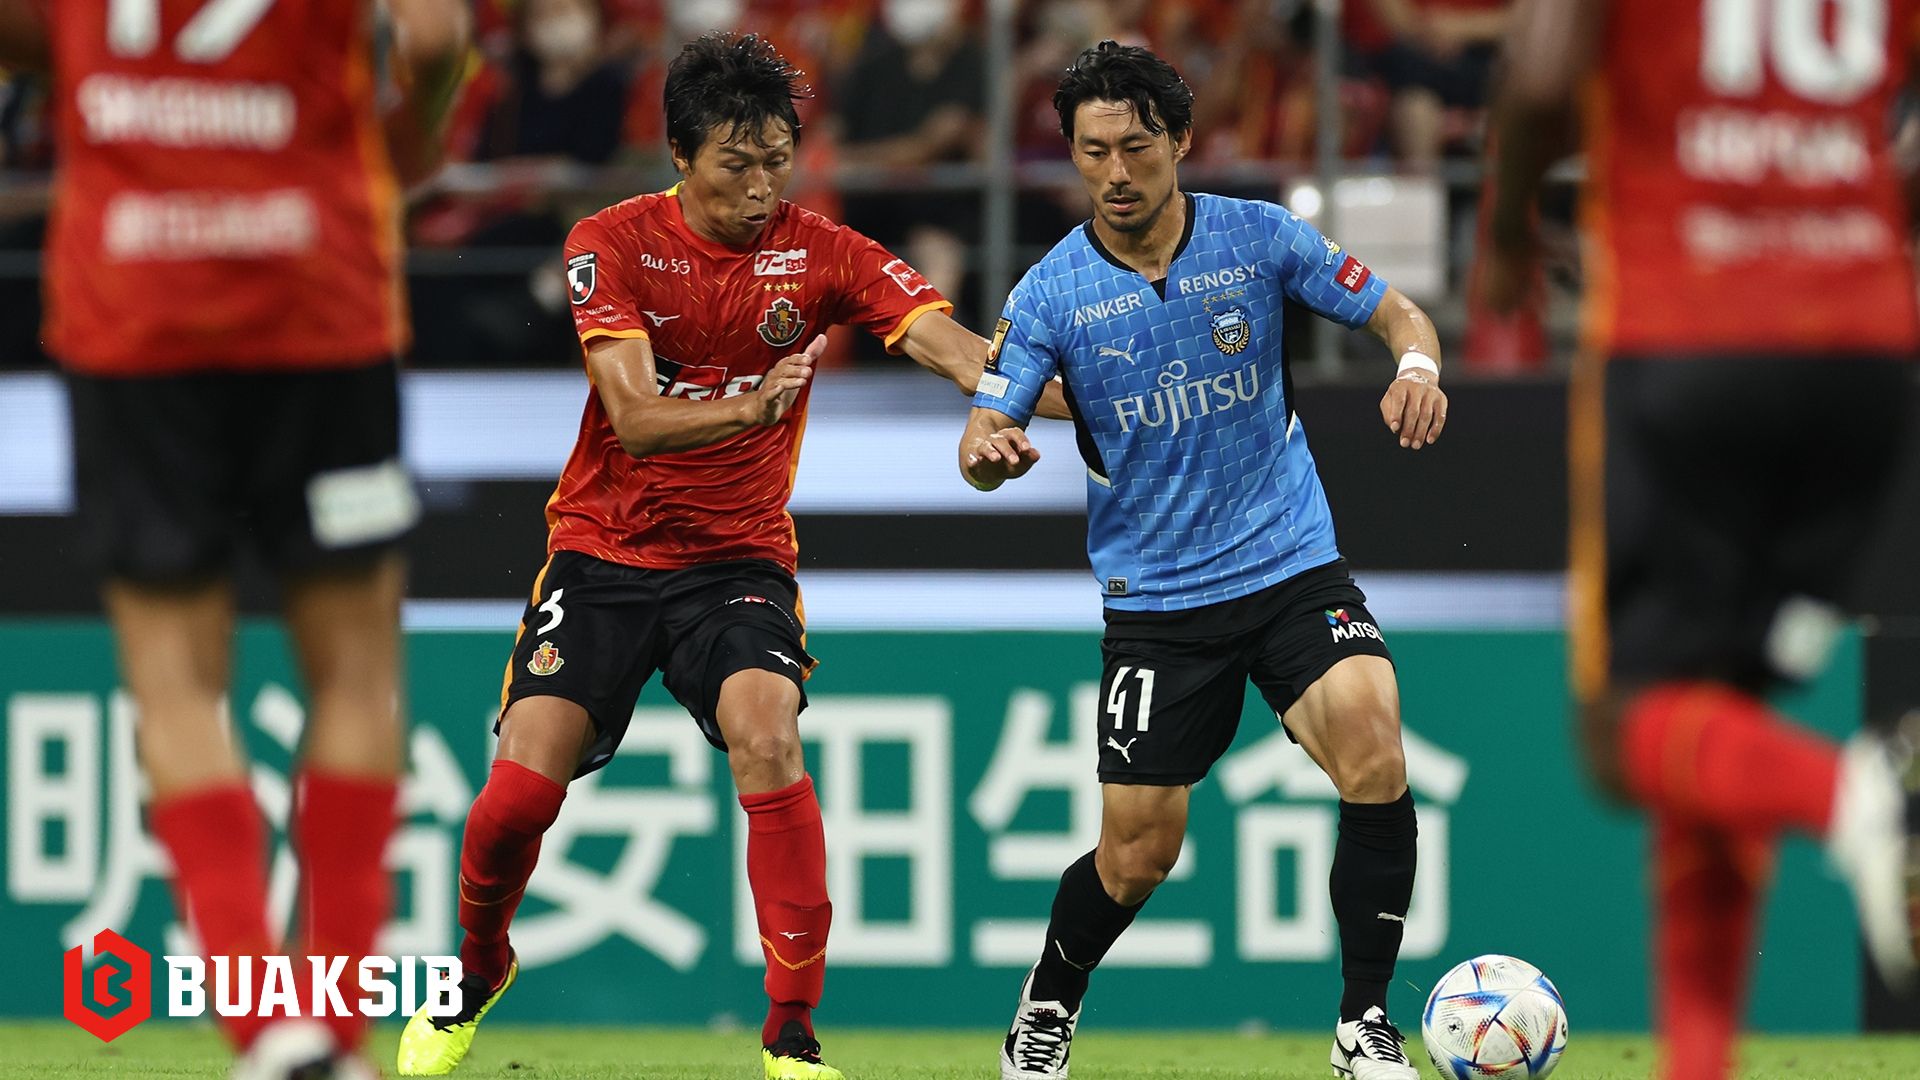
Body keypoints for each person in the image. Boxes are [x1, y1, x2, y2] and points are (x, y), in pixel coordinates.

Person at [394, 31, 1067, 1080]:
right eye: (736, 165)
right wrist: (753, 405)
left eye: (777, 162)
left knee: (769, 736)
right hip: (603, 554)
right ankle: (478, 970)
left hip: (738, 562)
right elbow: (634, 416)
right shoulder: (611, 242)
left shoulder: (824, 251)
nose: (761, 188)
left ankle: (791, 1034)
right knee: (518, 798)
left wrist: (1077, 404)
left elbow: (959, 350)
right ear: (679, 154)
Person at [962, 40, 1449, 1080]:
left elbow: (1396, 309)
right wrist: (991, 453)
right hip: (1159, 606)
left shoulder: (1258, 237)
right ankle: (1049, 1000)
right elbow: (985, 429)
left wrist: (1416, 364)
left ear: (1181, 140)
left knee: (1374, 747)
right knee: (1138, 856)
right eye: (1093, 151)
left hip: (1289, 566)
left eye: (1135, 147)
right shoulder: (1049, 294)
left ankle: (1364, 1024)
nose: (1115, 173)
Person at [0, 1, 469, 1077]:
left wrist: (91, 66)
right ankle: (336, 1028)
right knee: (355, 673)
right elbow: (435, 38)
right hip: (316, 298)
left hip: (133, 312)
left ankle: (265, 1036)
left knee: (176, 685)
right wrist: (416, 133)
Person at [1481, 2, 1920, 1077]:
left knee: (1618, 732)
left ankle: (1853, 795)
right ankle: (1699, 1061)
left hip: (1685, 337)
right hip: (1863, 349)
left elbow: (1540, 82)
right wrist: (1868, 213)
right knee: (1715, 722)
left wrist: (1504, 243)